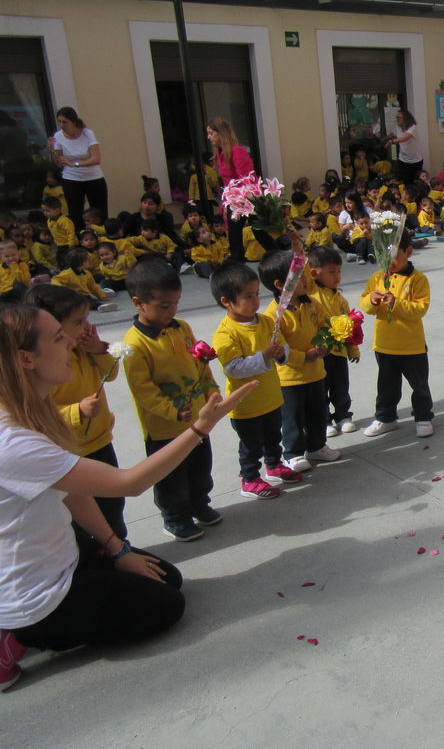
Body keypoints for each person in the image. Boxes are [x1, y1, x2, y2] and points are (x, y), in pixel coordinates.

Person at [0, 303, 255, 690]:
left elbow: (73, 492)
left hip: (59, 557)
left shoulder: (31, 411)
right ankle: (18, 636)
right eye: (58, 337)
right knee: (167, 608)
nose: (72, 342)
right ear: (25, 359)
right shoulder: (14, 441)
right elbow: (129, 483)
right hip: (34, 595)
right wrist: (201, 428)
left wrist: (118, 550)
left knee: (166, 578)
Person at [121, 260, 221, 541]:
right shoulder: (135, 344)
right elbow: (144, 390)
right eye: (164, 305)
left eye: (176, 303)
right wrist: (172, 410)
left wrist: (211, 390)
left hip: (197, 420)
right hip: (164, 429)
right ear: (138, 303)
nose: (172, 310)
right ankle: (175, 517)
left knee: (200, 468)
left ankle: (200, 503)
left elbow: (200, 363)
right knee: (170, 476)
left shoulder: (182, 328)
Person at [24, 284, 126, 535]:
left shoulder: (85, 349)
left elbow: (110, 374)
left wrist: (99, 349)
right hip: (70, 450)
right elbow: (37, 414)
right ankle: (101, 552)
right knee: (83, 513)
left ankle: (119, 545)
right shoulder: (42, 369)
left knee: (113, 502)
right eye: (78, 322)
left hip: (100, 439)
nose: (87, 327)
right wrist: (76, 411)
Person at [210, 262, 300, 498]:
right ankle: (249, 479)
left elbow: (282, 347)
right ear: (226, 302)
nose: (255, 301)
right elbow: (234, 368)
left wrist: (282, 354)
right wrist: (264, 356)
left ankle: (274, 465)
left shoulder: (268, 322)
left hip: (270, 396)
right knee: (250, 446)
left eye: (257, 294)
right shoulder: (225, 333)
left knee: (273, 436)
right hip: (246, 405)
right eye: (248, 296)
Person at [259, 250, 341, 472]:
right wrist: (306, 355)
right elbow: (280, 348)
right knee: (293, 418)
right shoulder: (274, 314)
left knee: (318, 411)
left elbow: (325, 325)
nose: (306, 281)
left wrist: (326, 342)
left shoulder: (312, 303)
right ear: (279, 284)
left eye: (305, 275)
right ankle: (293, 453)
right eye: (299, 277)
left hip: (316, 373)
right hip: (290, 379)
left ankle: (317, 445)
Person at [359, 228, 434, 439]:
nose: (390, 263)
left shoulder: (418, 279)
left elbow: (420, 309)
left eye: (395, 257)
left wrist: (397, 304)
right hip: (384, 344)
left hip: (411, 345)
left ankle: (423, 416)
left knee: (419, 385)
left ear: (409, 252)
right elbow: (365, 303)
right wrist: (371, 301)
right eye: (384, 256)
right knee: (386, 386)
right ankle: (386, 418)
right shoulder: (377, 277)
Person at [307, 246, 360, 438]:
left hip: (338, 352)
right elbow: (301, 268)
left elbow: (350, 326)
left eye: (339, 271)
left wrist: (353, 349)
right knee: (320, 390)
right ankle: (325, 420)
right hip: (319, 352)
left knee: (340, 386)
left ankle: (343, 416)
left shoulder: (340, 299)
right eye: (331, 272)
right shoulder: (311, 291)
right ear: (314, 273)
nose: (337, 276)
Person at [207, 117, 276, 262]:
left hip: (249, 198)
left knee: (259, 233)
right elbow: (227, 183)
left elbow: (248, 179)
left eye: (211, 133)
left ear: (220, 133)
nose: (209, 137)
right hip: (235, 200)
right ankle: (237, 264)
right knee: (234, 235)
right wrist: (226, 203)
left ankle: (280, 257)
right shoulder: (220, 154)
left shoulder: (237, 151)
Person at [50, 106, 108, 230]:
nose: (61, 125)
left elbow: (96, 159)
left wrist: (75, 164)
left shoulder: (87, 133)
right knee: (75, 214)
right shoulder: (58, 136)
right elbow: (59, 163)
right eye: (59, 121)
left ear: (73, 121)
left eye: (65, 122)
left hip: (93, 177)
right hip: (71, 179)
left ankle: (102, 239)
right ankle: (81, 240)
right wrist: (52, 149)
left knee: (99, 211)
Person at [50, 248, 118, 312]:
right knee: (87, 302)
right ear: (81, 263)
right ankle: (99, 306)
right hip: (72, 296)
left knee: (88, 299)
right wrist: (61, 289)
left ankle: (100, 299)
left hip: (84, 295)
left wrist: (102, 296)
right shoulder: (67, 273)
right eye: (88, 260)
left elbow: (93, 287)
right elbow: (55, 279)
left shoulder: (87, 273)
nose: (90, 262)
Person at [383, 109, 423, 184]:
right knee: (405, 181)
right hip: (403, 160)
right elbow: (393, 134)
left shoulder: (413, 127)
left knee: (416, 182)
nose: (397, 119)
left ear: (405, 118)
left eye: (399, 117)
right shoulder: (397, 127)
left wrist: (392, 141)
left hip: (416, 160)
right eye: (396, 117)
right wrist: (385, 138)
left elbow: (405, 137)